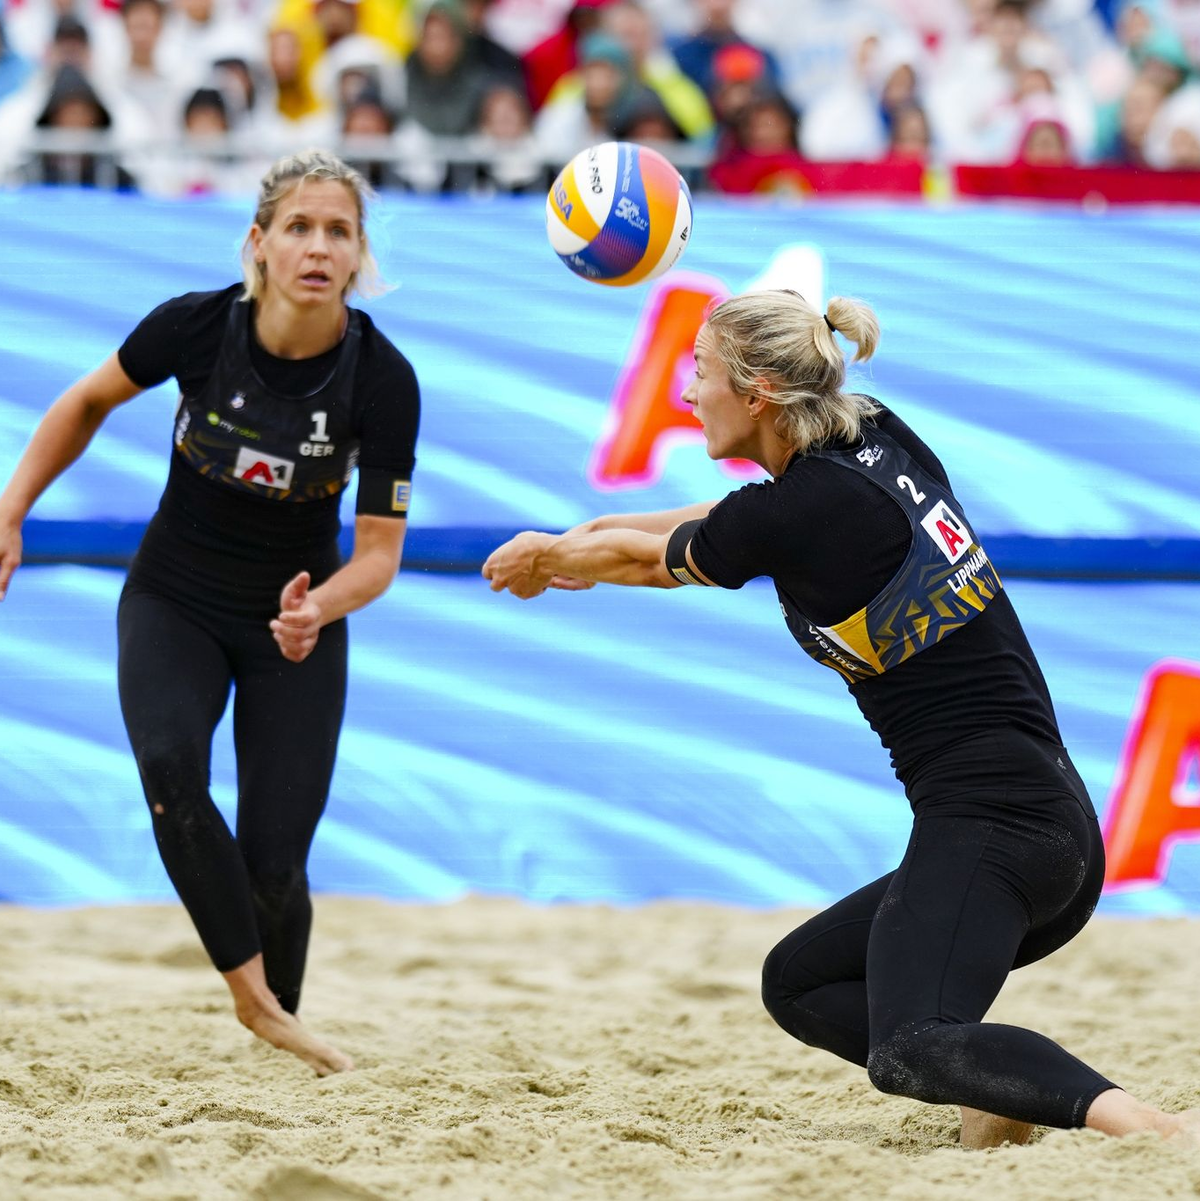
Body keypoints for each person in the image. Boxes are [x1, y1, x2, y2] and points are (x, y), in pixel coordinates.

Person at [482, 288, 1200, 1145]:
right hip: (1044, 824)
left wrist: (557, 555)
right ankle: (998, 1091)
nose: (684, 392)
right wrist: (570, 540)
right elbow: (697, 528)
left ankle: (1153, 1129)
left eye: (699, 371)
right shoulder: (871, 432)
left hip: (1001, 826)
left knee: (908, 1046)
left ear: (755, 394)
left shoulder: (792, 512)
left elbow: (651, 558)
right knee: (798, 981)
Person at [0, 149, 420, 1077]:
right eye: (298, 228)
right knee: (169, 770)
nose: (317, 246)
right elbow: (83, 402)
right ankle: (256, 1004)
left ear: (357, 259)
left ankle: (283, 1035)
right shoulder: (194, 330)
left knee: (277, 862)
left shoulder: (383, 380)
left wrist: (322, 608)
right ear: (258, 244)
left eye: (338, 231)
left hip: (295, 618)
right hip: (175, 594)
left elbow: (380, 557)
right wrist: (11, 508)